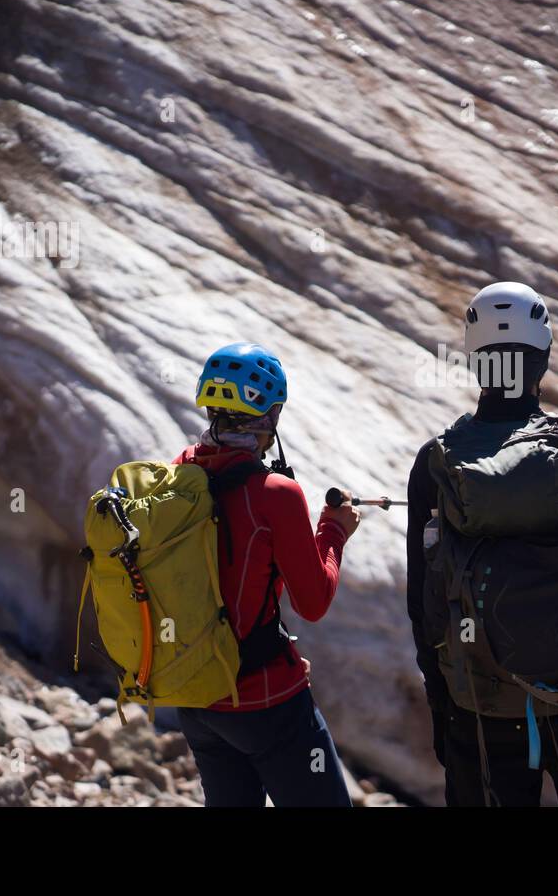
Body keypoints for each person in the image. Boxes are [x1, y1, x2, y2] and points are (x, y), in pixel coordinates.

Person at [406, 282, 558, 806]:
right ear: (543, 357)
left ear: (476, 362)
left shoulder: (438, 464)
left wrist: (444, 705)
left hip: (481, 707)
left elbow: (422, 607)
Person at [173, 342, 360, 807]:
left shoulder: (180, 472)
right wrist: (333, 532)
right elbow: (313, 603)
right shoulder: (276, 492)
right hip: (265, 702)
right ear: (269, 416)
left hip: (197, 697)